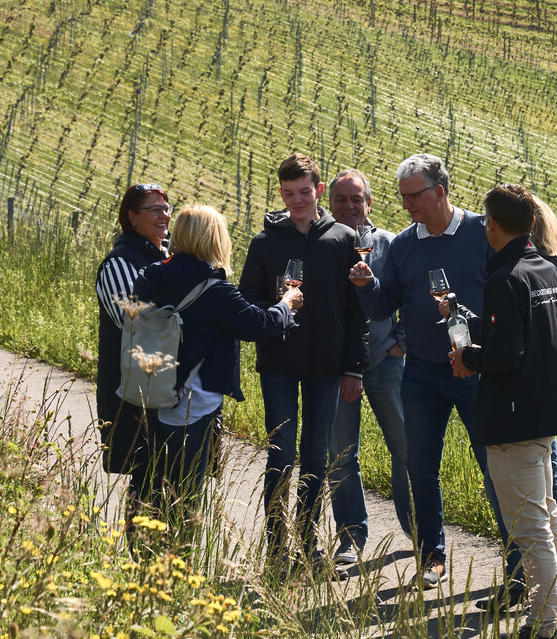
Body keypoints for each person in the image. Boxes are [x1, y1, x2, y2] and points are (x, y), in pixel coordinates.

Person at [351, 152, 513, 591]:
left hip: (476, 370)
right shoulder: (404, 245)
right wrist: (367, 287)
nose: (406, 205)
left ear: (439, 192)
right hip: (421, 373)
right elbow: (384, 306)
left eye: (413, 196)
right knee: (420, 468)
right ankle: (432, 557)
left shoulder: (483, 232)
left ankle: (518, 563)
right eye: (402, 197)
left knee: (495, 467)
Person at [450, 184, 557, 639]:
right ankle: (552, 619)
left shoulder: (505, 279)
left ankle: (543, 635)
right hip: (545, 411)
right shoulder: (546, 270)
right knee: (547, 518)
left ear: (493, 225)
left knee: (530, 530)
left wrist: (467, 358)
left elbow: (506, 355)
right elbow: (536, 338)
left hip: (512, 417)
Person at [131, 204, 301, 526]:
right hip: (192, 403)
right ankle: (178, 551)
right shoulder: (212, 289)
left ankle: (146, 545)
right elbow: (257, 325)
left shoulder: (151, 276)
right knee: (184, 495)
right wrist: (286, 304)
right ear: (213, 239)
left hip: (153, 391)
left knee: (155, 483)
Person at [239, 152, 367, 570]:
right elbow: (248, 301)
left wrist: (354, 366)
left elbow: (356, 310)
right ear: (281, 194)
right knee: (280, 457)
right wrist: (277, 307)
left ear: (318, 191)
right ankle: (277, 550)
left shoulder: (343, 239)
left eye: (304, 192)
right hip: (278, 362)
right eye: (289, 193)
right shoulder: (264, 243)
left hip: (327, 367)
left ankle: (308, 544)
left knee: (314, 459)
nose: (297, 200)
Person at [325, 168, 413, 568]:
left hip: (384, 363)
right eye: (340, 200)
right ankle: (350, 538)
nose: (348, 206)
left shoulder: (389, 245)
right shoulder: (321, 244)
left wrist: (400, 343)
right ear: (329, 203)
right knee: (341, 455)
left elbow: (414, 297)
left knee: (408, 450)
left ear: (369, 202)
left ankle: (421, 532)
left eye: (356, 199)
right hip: (335, 368)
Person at [95, 183, 171, 523]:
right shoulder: (118, 264)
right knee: (146, 473)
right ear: (132, 217)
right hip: (135, 388)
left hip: (169, 384)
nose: (163, 215)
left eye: (166, 208)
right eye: (154, 209)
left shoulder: (172, 255)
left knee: (174, 473)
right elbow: (137, 323)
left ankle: (172, 546)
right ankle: (140, 547)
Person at [524, 191, 557, 606]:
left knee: (544, 492)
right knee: (550, 485)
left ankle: (551, 584)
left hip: (530, 389)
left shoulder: (532, 273)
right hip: (551, 388)